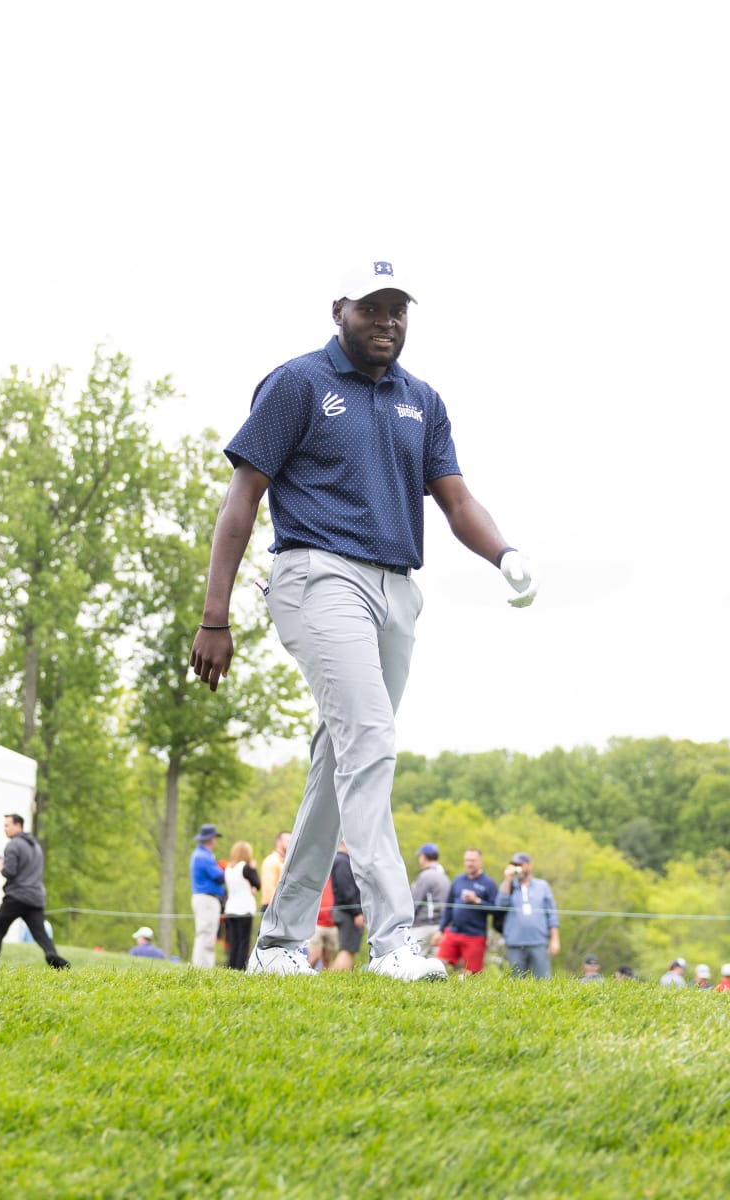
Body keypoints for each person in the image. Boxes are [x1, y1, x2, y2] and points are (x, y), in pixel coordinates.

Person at [189, 259, 536, 983]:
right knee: (371, 740)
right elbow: (241, 499)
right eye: (373, 308)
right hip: (317, 576)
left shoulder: (422, 400)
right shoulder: (297, 384)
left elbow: (457, 501)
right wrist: (214, 617)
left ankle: (281, 944)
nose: (387, 322)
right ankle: (392, 942)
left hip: (396, 589)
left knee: (339, 756)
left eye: (398, 310)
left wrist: (503, 555)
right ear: (339, 309)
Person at [0, 813, 69, 970]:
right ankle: (54, 959)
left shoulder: (13, 845)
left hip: (16, 897)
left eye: (7, 825)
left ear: (18, 825)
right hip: (36, 898)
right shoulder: (36, 847)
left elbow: (10, 872)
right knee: (41, 936)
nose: (5, 829)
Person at [495, 851, 560, 979]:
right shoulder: (507, 886)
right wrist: (507, 880)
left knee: (544, 981)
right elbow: (500, 906)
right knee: (516, 982)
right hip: (514, 942)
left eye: (520, 864)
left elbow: (551, 914)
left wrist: (555, 939)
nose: (517, 867)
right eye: (514, 864)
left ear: (529, 866)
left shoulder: (542, 886)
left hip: (539, 941)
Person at [433, 848, 499, 975]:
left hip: (475, 935)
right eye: (467, 860)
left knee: (472, 974)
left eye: (473, 861)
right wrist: (440, 929)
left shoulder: (488, 883)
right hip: (453, 932)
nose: (469, 863)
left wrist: (478, 901)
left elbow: (497, 910)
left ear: (480, 862)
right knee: (438, 965)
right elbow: (449, 907)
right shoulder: (458, 880)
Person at [189, 823, 225, 968]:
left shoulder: (202, 854)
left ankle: (203, 966)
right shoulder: (203, 856)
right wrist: (226, 869)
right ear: (211, 839)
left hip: (204, 898)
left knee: (206, 934)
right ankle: (201, 967)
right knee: (206, 934)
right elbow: (219, 877)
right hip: (207, 899)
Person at [223, 841, 260, 971]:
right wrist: (254, 868)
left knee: (233, 941)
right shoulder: (245, 867)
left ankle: (230, 966)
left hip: (231, 908)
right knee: (244, 941)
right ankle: (240, 967)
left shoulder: (228, 868)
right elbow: (257, 883)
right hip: (244, 909)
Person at [330, 843, 365, 972]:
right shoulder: (342, 861)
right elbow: (346, 890)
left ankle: (340, 979)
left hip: (346, 911)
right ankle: (334, 979)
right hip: (347, 912)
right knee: (347, 949)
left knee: (349, 949)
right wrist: (357, 912)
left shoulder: (341, 860)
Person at [410, 842, 451, 951]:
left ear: (423, 857)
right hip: (440, 927)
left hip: (423, 926)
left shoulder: (426, 875)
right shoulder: (444, 877)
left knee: (413, 959)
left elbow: (414, 902)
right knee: (434, 963)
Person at [307, 873, 337, 971]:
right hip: (317, 925)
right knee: (314, 957)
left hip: (332, 925)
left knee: (327, 960)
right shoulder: (316, 879)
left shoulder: (336, 878)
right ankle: (305, 974)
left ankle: (324, 982)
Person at [259, 831, 290, 912]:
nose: (291, 844)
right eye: (288, 841)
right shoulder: (271, 861)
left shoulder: (284, 862)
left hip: (283, 906)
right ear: (279, 842)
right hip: (273, 906)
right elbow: (268, 889)